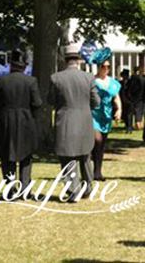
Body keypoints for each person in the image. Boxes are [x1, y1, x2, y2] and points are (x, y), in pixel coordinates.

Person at [48, 44, 100, 202]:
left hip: (65, 121)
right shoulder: (89, 77)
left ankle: (73, 190)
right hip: (84, 120)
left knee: (67, 158)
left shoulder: (56, 78)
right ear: (78, 60)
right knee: (85, 157)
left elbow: (50, 100)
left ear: (65, 60)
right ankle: (88, 188)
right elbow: (96, 102)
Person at [0, 50, 42, 190]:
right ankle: (25, 187)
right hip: (26, 120)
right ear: (24, 66)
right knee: (26, 156)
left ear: (11, 65)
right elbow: (37, 103)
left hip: (5, 120)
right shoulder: (31, 81)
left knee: (7, 155)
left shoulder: (0, 81)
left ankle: (11, 188)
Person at [89, 47, 121, 181]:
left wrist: (119, 110)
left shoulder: (113, 83)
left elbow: (116, 97)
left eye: (108, 67)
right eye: (104, 66)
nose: (106, 69)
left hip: (106, 116)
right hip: (93, 115)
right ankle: (89, 170)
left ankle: (98, 172)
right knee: (97, 141)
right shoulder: (92, 81)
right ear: (99, 67)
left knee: (101, 146)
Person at [126, 66, 145, 133]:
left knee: (129, 113)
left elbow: (128, 88)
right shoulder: (142, 79)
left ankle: (129, 128)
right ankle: (138, 123)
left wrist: (128, 96)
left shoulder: (131, 79)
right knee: (139, 112)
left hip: (131, 98)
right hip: (140, 99)